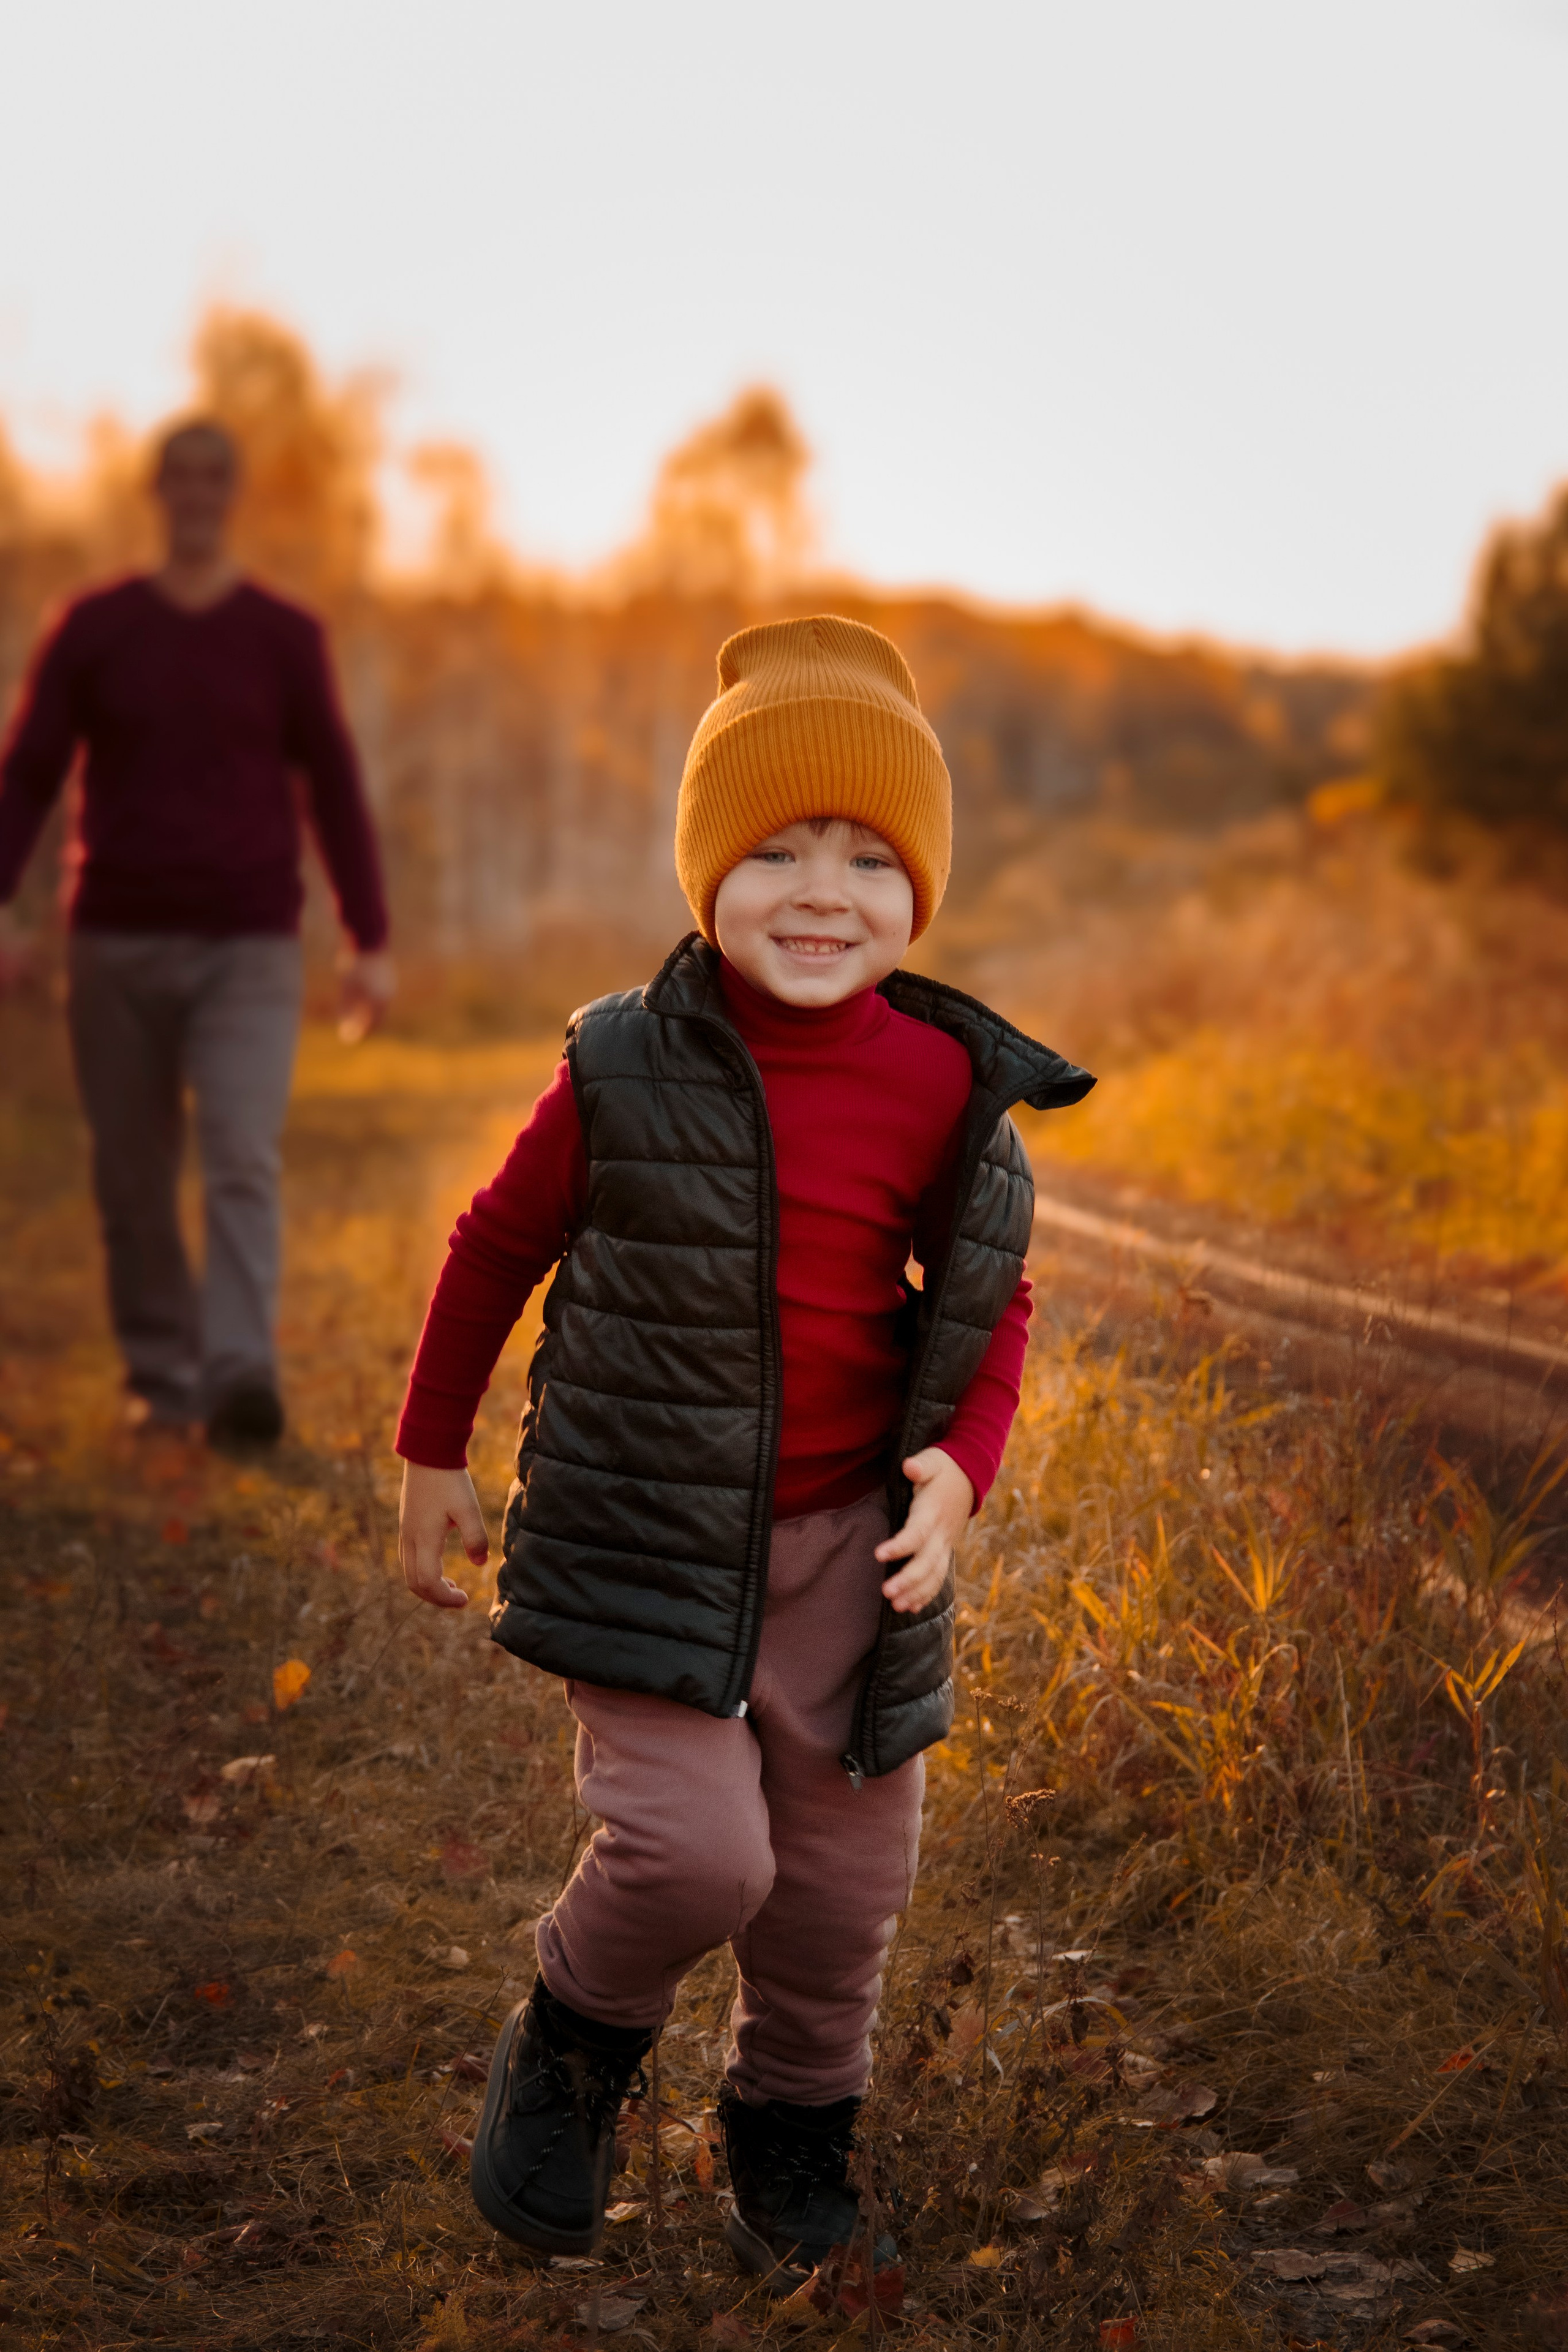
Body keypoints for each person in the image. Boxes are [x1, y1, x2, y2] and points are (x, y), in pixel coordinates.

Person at [394, 616, 1093, 2285]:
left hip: (851, 1560)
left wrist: (959, 1473)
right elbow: (496, 1246)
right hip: (650, 1534)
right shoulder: (626, 1067)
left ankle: (790, 2129)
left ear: (920, 891)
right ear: (707, 871)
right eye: (774, 850)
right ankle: (571, 2042)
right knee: (701, 1854)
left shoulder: (940, 1080)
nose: (822, 891)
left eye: (867, 855)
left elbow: (993, 1310)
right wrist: (430, 1455)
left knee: (841, 1892)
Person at [0, 418, 393, 1444]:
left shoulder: (283, 635)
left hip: (249, 942)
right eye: (181, 475)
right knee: (129, 1169)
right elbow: (29, 774)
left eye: (216, 475)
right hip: (115, 941)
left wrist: (369, 937)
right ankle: (161, 1376)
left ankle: (237, 1376)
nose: (198, 492)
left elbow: (338, 791)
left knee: (238, 1154)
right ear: (156, 489)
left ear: (236, 491)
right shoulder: (93, 626)